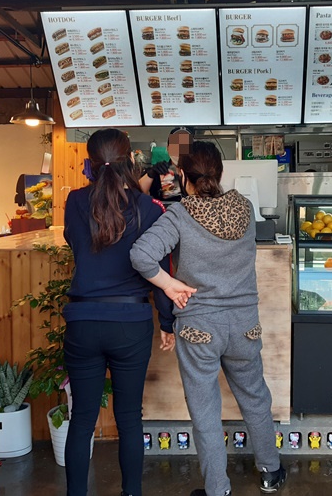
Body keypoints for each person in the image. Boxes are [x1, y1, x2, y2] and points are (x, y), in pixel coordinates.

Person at [130, 141, 286, 496]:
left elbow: (141, 255)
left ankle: (218, 489)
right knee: (255, 398)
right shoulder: (245, 208)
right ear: (221, 172)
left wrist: (170, 285)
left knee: (204, 410)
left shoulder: (180, 215)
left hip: (199, 327)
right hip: (245, 325)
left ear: (182, 174)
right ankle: (271, 471)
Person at [62, 128, 175, 496]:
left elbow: (73, 242)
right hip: (130, 324)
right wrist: (167, 322)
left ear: (90, 162)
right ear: (131, 160)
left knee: (82, 419)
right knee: (129, 420)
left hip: (82, 322)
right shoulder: (150, 208)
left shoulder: (74, 201)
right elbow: (159, 269)